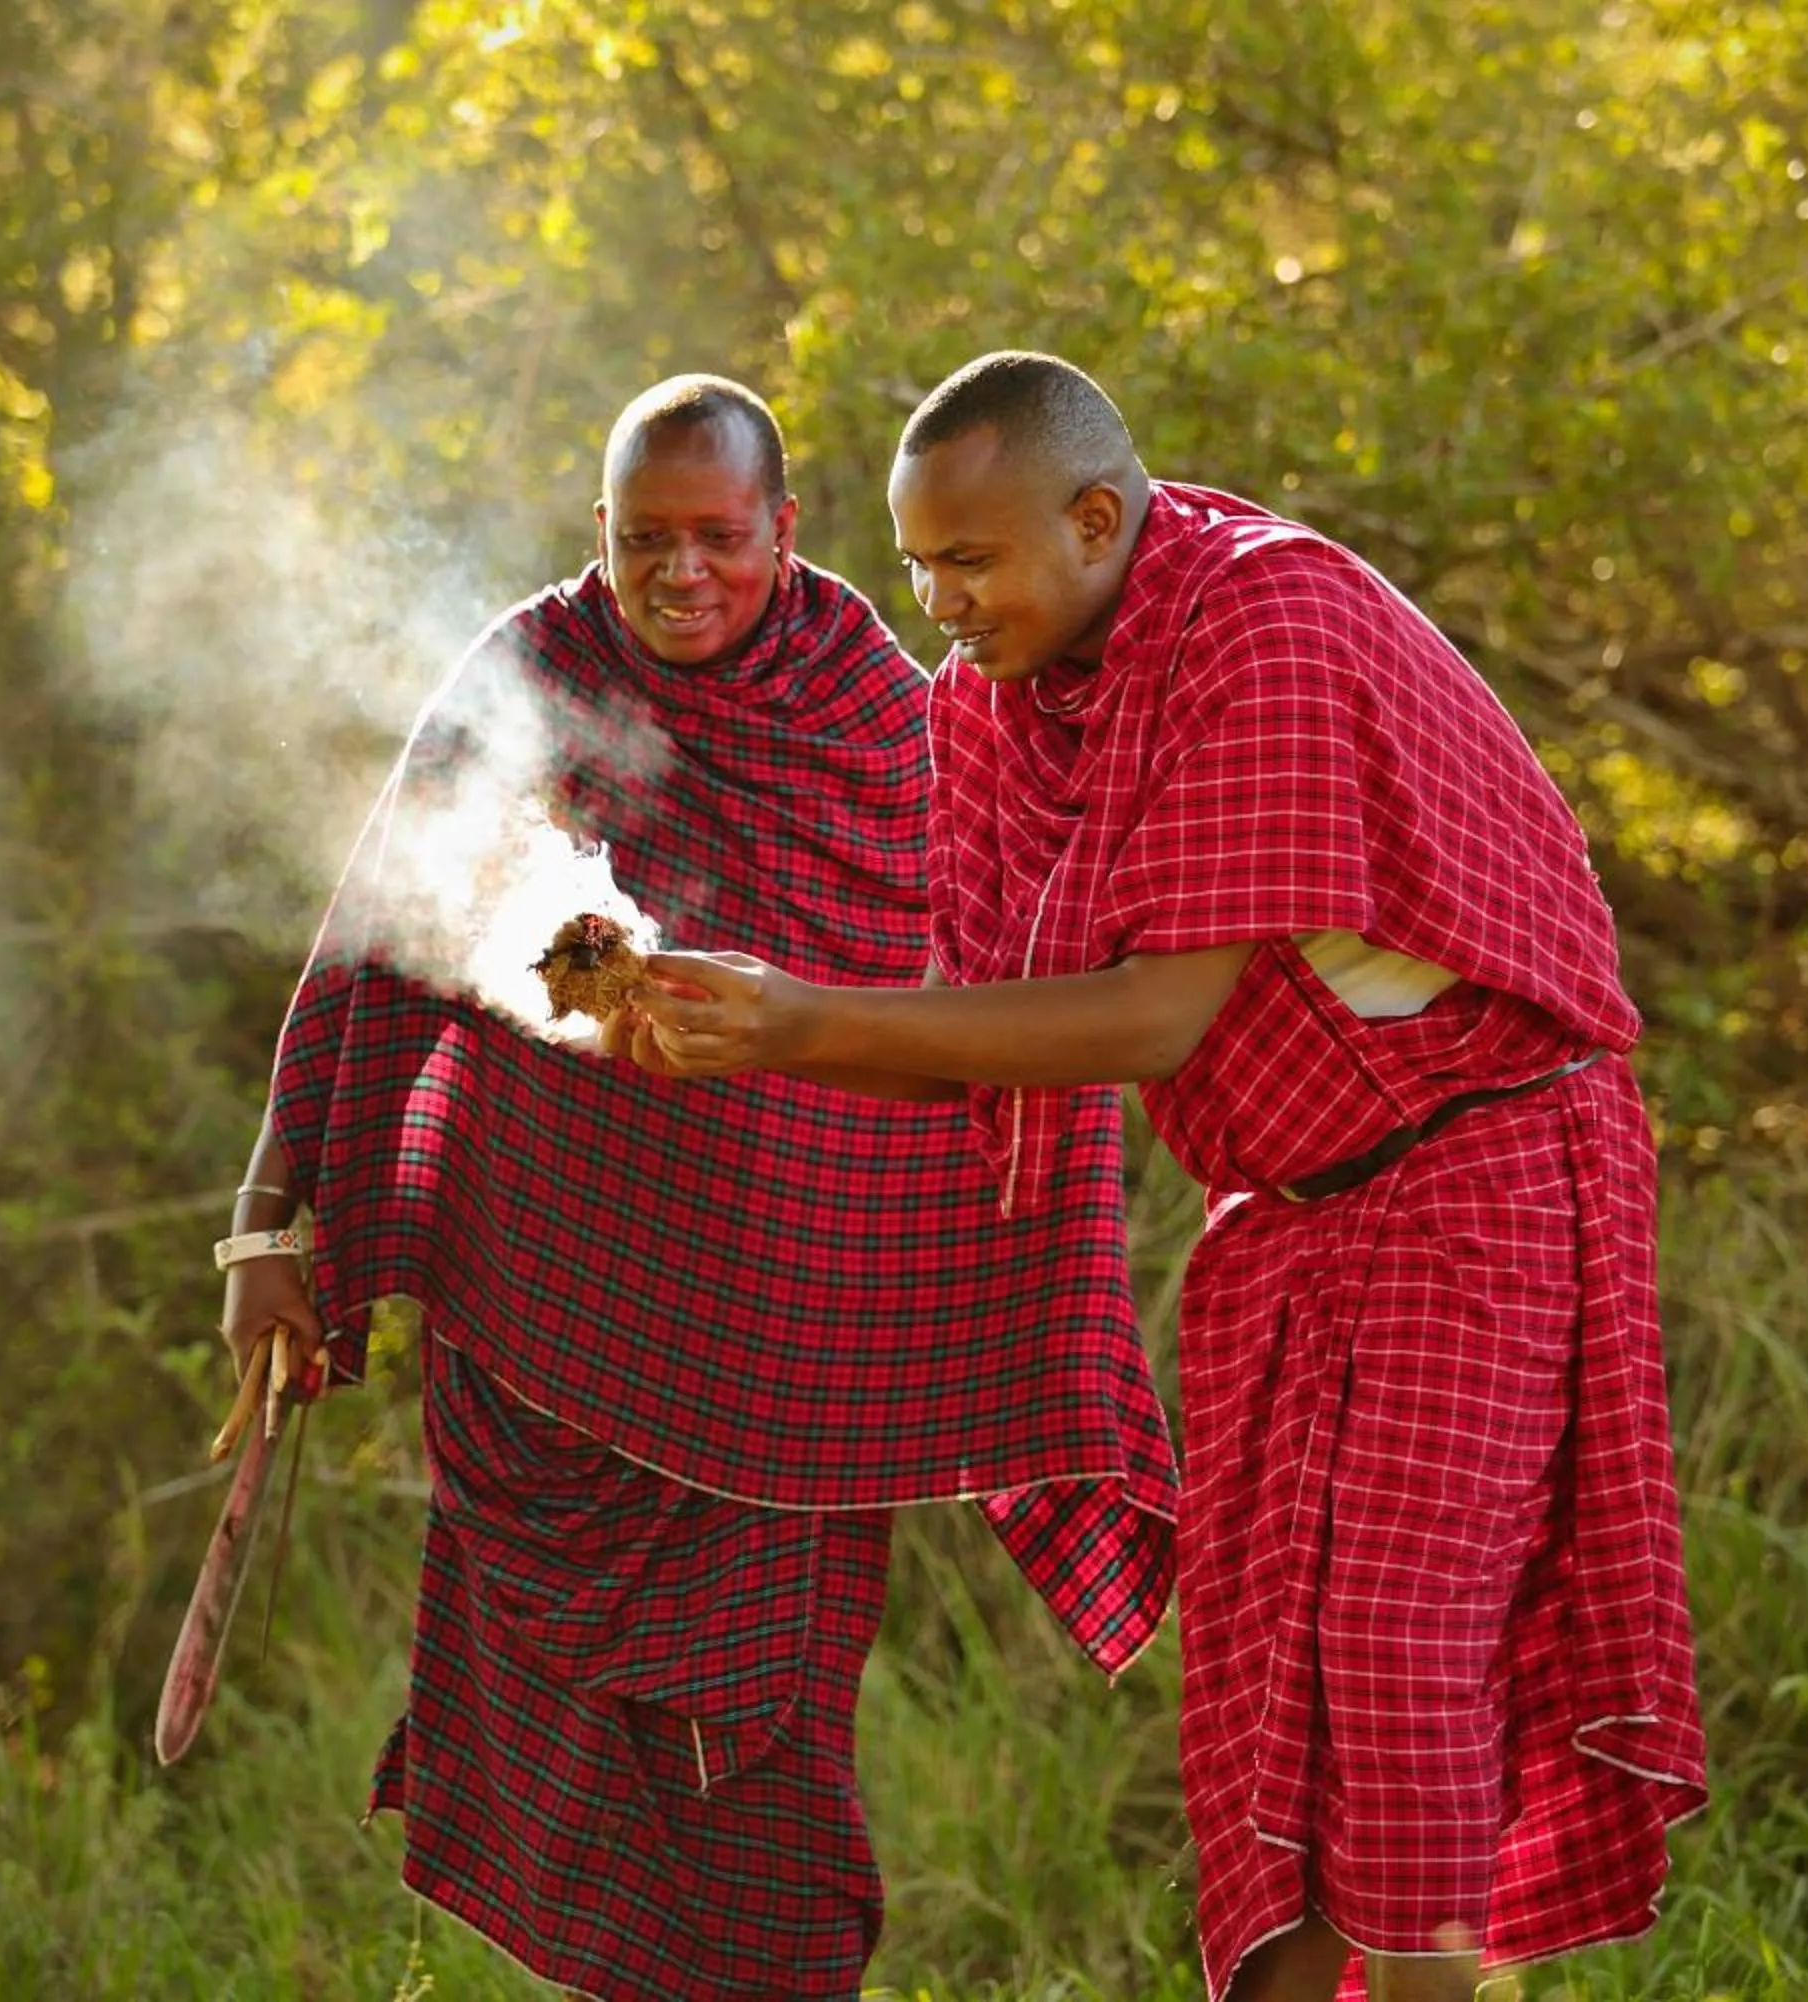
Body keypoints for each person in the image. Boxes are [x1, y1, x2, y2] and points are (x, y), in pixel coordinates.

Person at [615, 352, 1707, 2002]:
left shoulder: (1265, 625)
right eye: (919, 568)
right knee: (1265, 1679)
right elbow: (975, 1033)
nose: (939, 606)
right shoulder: (997, 704)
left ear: (1098, 518)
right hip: (1285, 1211)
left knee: (1401, 1649)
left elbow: (1147, 1015)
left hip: (1480, 1167)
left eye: (969, 564)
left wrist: (807, 1013)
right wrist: (753, 1029)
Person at [216, 374, 1178, 2002]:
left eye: (717, 538)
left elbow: (983, 972)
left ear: (784, 533)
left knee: (767, 1782)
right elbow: (376, 949)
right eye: (645, 539)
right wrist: (269, 1222)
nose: (681, 572)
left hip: (789, 1351)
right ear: (599, 536)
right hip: (545, 1329)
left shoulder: (877, 704)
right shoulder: (529, 670)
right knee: (578, 1781)